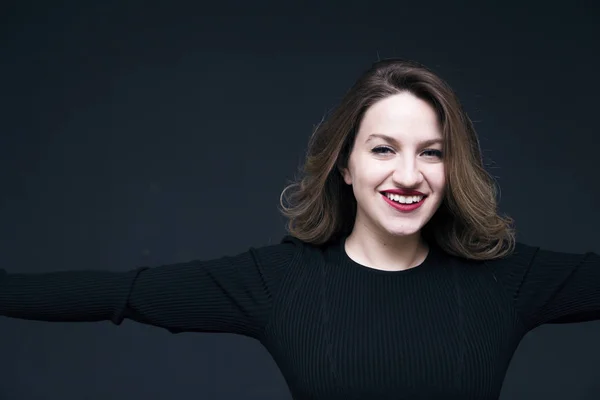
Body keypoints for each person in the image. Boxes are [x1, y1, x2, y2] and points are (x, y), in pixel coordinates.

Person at [1, 58, 599, 400]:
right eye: (384, 149)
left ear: (452, 168)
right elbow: (120, 294)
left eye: (432, 153)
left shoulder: (503, 281)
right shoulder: (281, 282)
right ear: (346, 164)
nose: (409, 174)